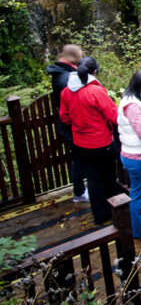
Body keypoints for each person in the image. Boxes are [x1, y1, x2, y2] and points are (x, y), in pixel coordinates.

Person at [59, 57, 118, 224]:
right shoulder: (95, 91)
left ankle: (100, 216)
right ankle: (114, 211)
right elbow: (113, 115)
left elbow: (64, 117)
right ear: (95, 72)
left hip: (81, 143)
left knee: (92, 179)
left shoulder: (66, 92)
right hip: (101, 142)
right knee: (108, 177)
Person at [46, 44, 88, 203]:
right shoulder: (66, 78)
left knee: (79, 158)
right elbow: (73, 104)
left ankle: (81, 190)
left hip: (69, 124)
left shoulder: (60, 73)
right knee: (78, 159)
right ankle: (79, 192)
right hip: (73, 126)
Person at [117, 69, 141, 239]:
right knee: (139, 193)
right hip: (137, 156)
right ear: (138, 85)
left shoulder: (136, 98)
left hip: (134, 153)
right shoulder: (132, 105)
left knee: (139, 191)